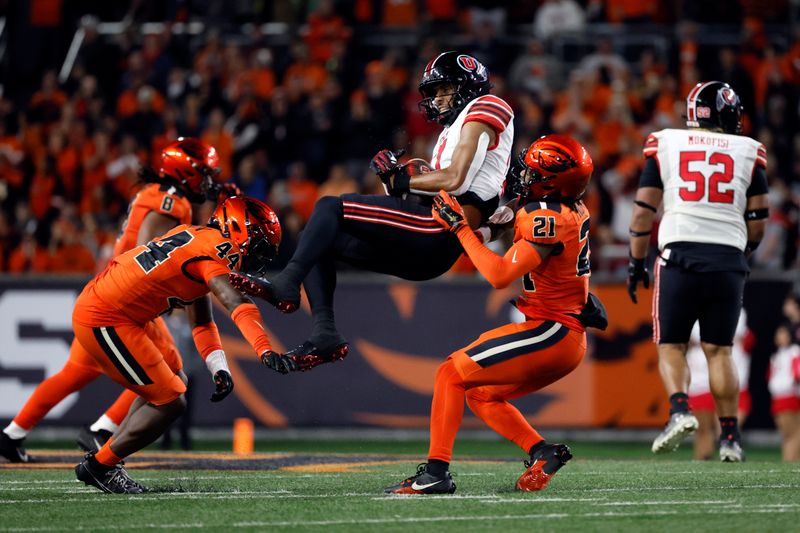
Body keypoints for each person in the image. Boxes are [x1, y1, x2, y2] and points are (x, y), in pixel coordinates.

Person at [232, 51, 514, 370]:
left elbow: (455, 178)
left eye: (441, 89)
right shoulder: (456, 131)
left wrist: (405, 178)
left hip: (437, 228)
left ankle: (287, 282)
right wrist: (396, 179)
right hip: (435, 242)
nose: (436, 99)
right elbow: (441, 187)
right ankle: (325, 333)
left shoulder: (488, 105)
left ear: (465, 84)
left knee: (328, 206)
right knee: (321, 237)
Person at [385, 134, 605, 494]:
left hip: (552, 332)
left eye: (532, 171)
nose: (523, 174)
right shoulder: (563, 208)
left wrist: (461, 229)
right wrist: (493, 226)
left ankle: (436, 474)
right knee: (481, 393)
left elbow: (500, 275)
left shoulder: (547, 217)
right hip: (560, 332)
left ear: (552, 181)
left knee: (449, 373)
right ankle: (542, 452)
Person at [0, 138, 237, 463]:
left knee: (75, 372)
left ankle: (13, 433)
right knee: (167, 369)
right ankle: (102, 432)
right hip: (126, 299)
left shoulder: (157, 193)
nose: (209, 182)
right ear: (186, 173)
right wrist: (176, 288)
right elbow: (149, 252)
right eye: (205, 174)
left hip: (108, 289)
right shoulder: (172, 201)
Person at [73, 196, 290, 493]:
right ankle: (100, 466)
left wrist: (218, 367)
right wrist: (264, 347)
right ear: (239, 230)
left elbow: (201, 320)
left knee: (175, 379)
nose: (259, 257)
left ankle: (104, 461)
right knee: (171, 401)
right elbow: (234, 300)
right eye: (259, 245)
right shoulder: (214, 250)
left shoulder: (196, 237)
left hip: (123, 312)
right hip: (106, 315)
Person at [627, 81, 769, 462]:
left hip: (679, 254)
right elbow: (758, 221)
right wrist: (742, 252)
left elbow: (643, 210)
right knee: (719, 350)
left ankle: (679, 411)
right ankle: (730, 439)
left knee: (671, 345)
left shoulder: (667, 142)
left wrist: (636, 260)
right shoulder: (748, 150)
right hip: (727, 257)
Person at [686, 310, 752, 460]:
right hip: (700, 375)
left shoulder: (736, 310)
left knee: (721, 427)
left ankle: (726, 444)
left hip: (726, 373)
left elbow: (743, 340)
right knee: (702, 429)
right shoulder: (691, 308)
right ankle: (704, 459)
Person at [768, 323, 800, 462]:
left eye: (783, 334)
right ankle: (789, 462)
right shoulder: (777, 356)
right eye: (778, 334)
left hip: (789, 396)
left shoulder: (794, 351)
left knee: (791, 434)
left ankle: (790, 460)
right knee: (791, 434)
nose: (779, 337)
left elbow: (797, 374)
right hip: (781, 397)